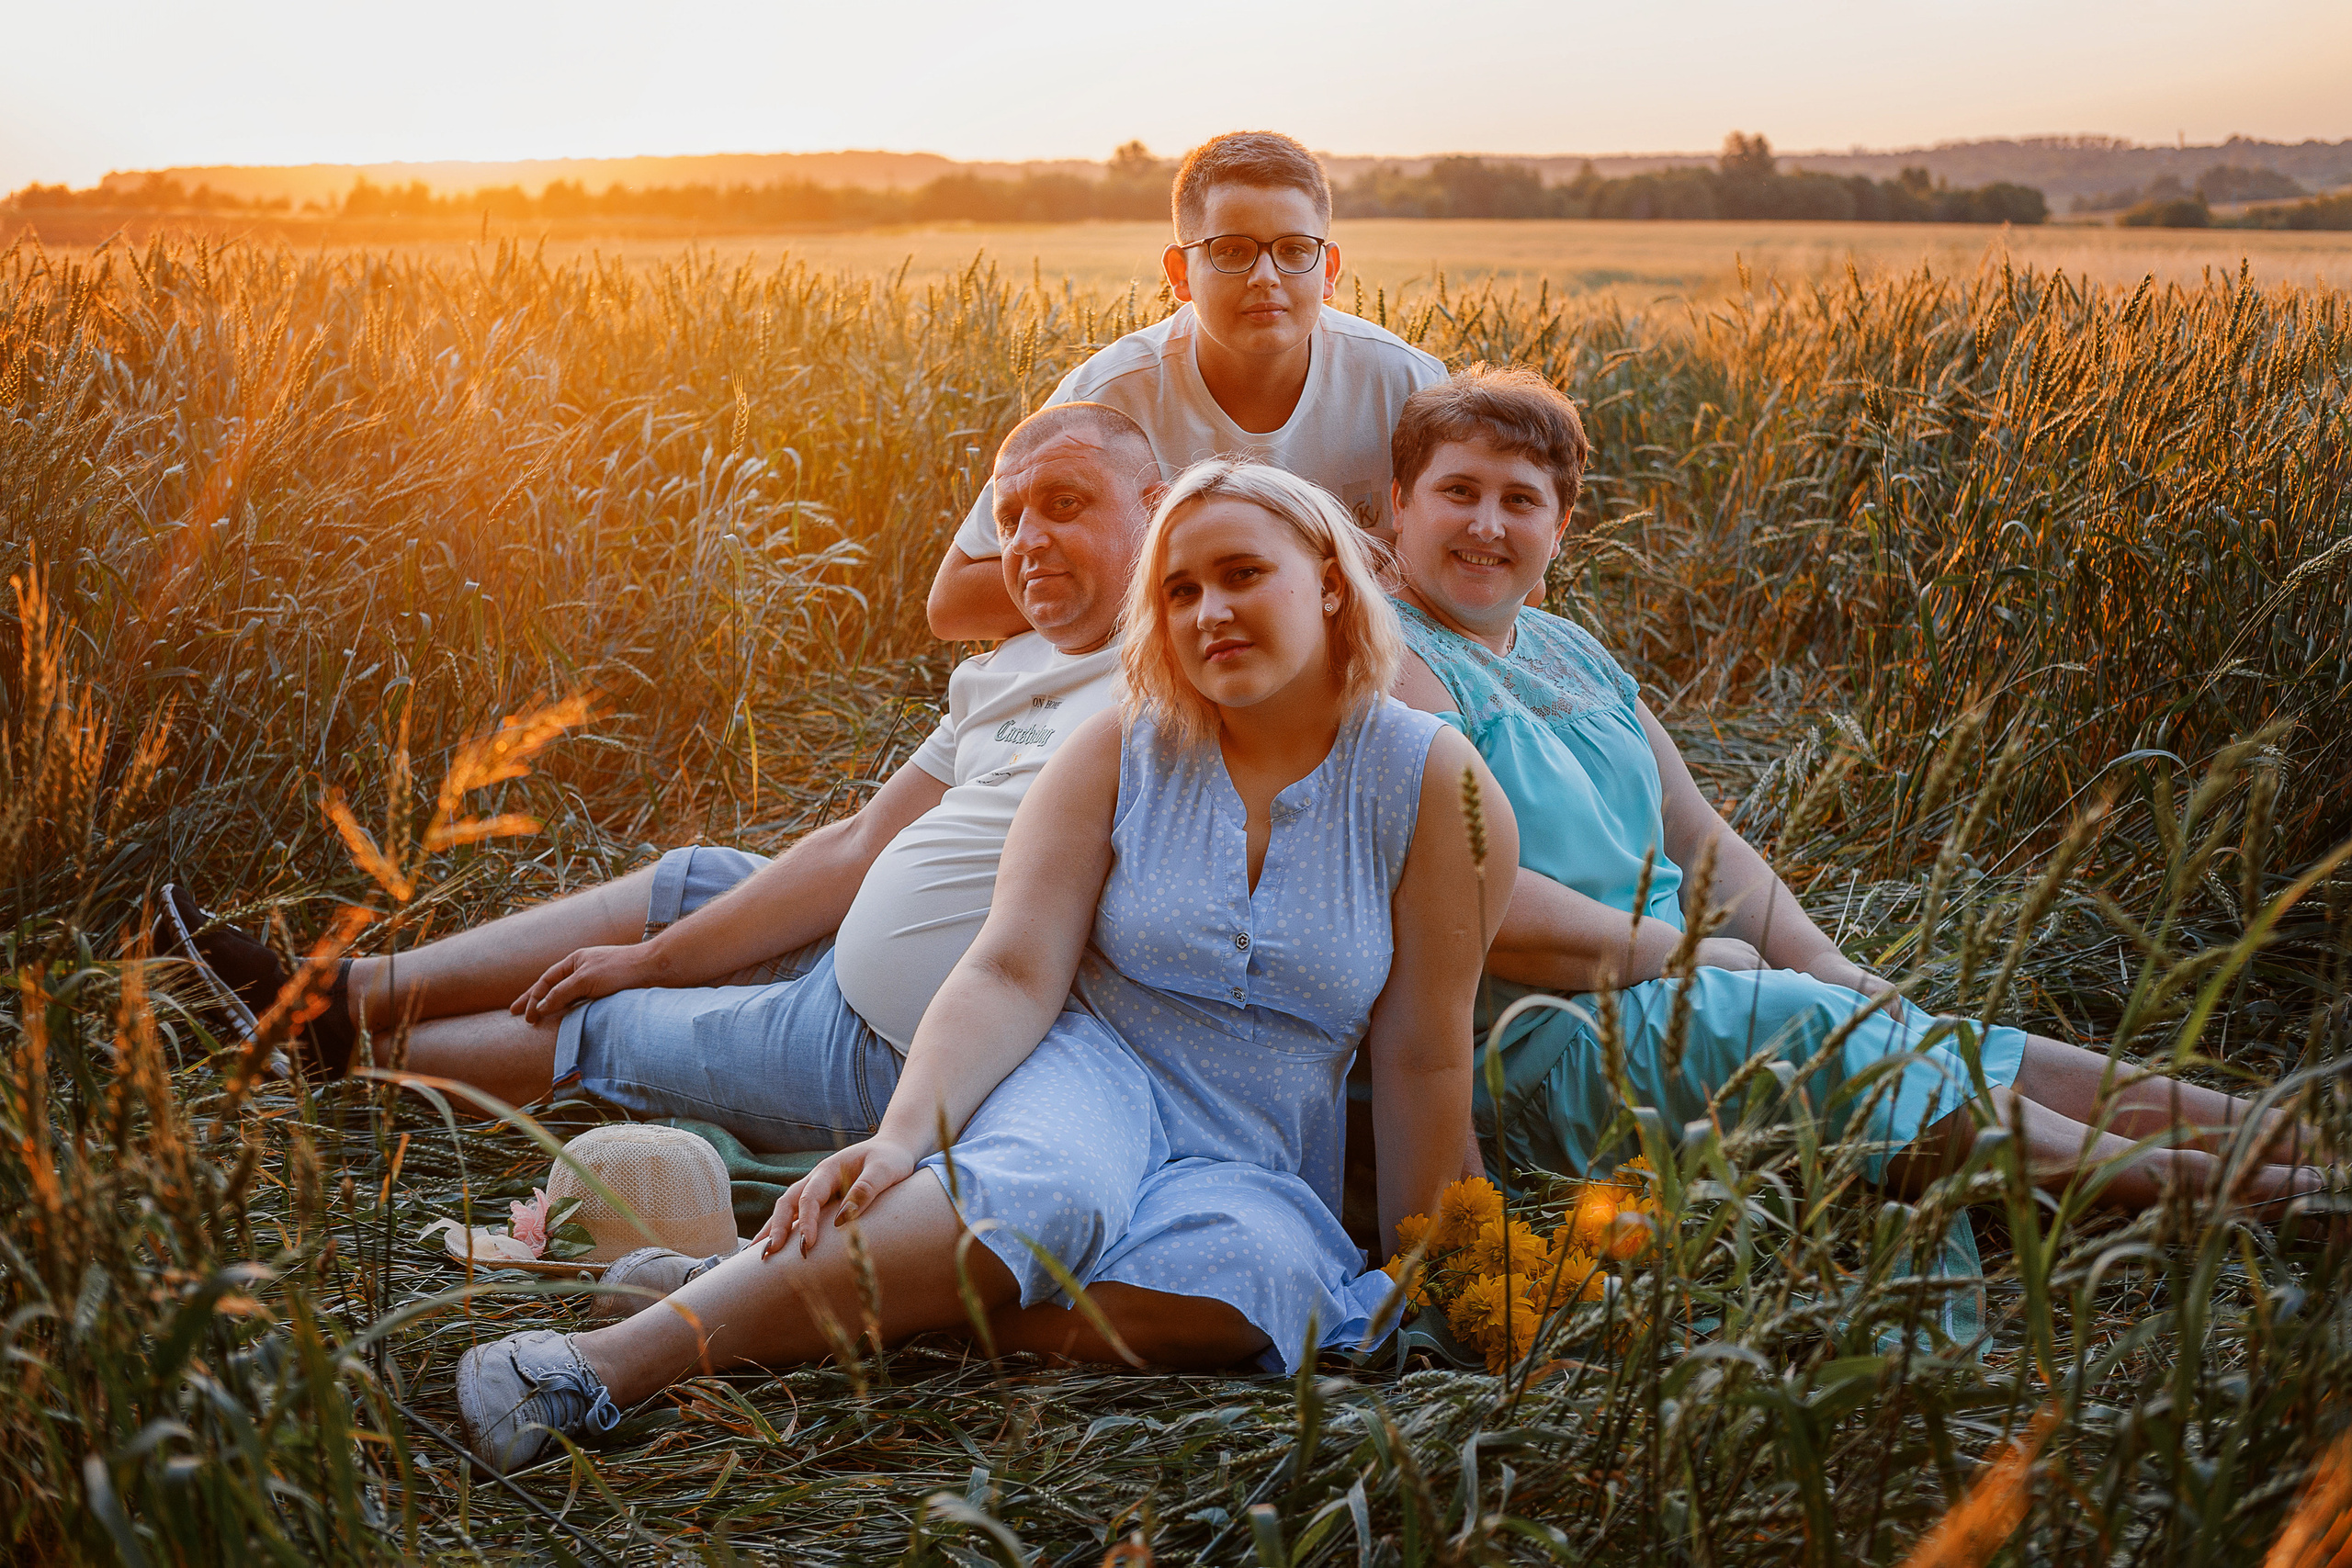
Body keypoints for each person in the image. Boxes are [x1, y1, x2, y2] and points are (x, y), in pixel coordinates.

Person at [451, 459, 1518, 1473]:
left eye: (1243, 574)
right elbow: (1011, 969)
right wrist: (903, 1139)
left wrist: (1441, 1269)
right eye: (1180, 589)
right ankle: (594, 1366)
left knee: (1261, 1286)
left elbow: (1424, 1049)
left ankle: (764, 1294)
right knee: (1043, 1191)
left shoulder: (1427, 782)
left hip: (1259, 1139)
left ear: (1330, 584)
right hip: (1095, 1068)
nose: (1209, 613)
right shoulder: (1120, 748)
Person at [1383, 364, 2334, 1214]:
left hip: (1685, 991)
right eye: (1456, 491)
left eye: (1520, 500)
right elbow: (1475, 903)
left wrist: (1831, 967)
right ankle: (2246, 1199)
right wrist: (1695, 959)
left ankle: (2303, 1142)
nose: (1486, 524)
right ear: (1397, 507)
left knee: (1929, 1031)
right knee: (1799, 1021)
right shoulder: (1396, 661)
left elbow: (1696, 837)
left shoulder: (1569, 651)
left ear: (1560, 527)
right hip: (1544, 1048)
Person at [161, 401, 1157, 1164]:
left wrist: (647, 975)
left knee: (607, 1023)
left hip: (906, 1052)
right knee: (693, 877)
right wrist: (667, 950)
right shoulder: (1009, 665)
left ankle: (337, 1063)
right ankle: (341, 995)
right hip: (842, 965)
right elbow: (857, 844)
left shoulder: (1180, 674)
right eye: (1012, 514)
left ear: (1158, 511)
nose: (1026, 542)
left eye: (1065, 505)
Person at [926, 130, 1445, 642]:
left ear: (1328, 269)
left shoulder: (1405, 382)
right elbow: (954, 602)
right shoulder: (1109, 395)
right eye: (1232, 251)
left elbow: (1500, 573)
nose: (1266, 275)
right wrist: (1198, 588)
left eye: (1293, 250)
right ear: (1180, 272)